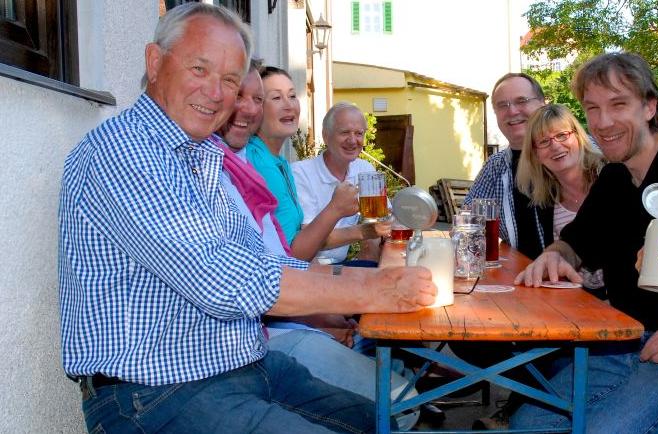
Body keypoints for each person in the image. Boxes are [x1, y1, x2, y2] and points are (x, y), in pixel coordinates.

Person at [58, 4, 435, 433]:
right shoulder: (127, 151)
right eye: (200, 69)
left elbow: (263, 261)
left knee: (383, 417)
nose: (216, 93)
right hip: (154, 393)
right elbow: (226, 281)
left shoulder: (202, 156)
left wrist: (339, 291)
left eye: (230, 81)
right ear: (155, 62)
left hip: (243, 365)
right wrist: (372, 290)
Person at [213, 61, 419, 430]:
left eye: (289, 96)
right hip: (265, 333)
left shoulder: (268, 164)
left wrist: (334, 302)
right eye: (273, 98)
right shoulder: (257, 166)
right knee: (398, 397)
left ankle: (384, 358)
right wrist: (325, 311)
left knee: (385, 290)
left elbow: (278, 262)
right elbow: (290, 256)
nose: (287, 105)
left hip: (290, 306)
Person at [511, 52, 658, 433]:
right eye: (592, 108)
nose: (602, 123)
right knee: (527, 423)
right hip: (622, 338)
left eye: (618, 105)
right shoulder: (614, 177)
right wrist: (555, 256)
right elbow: (575, 242)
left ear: (649, 107)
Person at [515, 103, 605, 291]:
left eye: (562, 135)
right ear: (536, 154)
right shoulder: (542, 203)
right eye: (544, 142)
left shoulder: (611, 180)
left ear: (578, 137)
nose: (555, 146)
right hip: (575, 303)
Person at [464, 73, 551, 259]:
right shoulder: (496, 166)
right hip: (527, 279)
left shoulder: (578, 151)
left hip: (590, 283)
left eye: (522, 101)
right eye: (502, 105)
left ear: (543, 104)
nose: (512, 111)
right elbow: (469, 222)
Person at [291, 102, 390, 265]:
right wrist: (362, 232)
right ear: (326, 136)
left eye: (359, 133)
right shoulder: (300, 174)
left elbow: (383, 218)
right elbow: (307, 241)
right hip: (309, 269)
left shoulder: (364, 170)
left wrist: (373, 245)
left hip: (342, 266)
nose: (352, 140)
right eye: (344, 132)